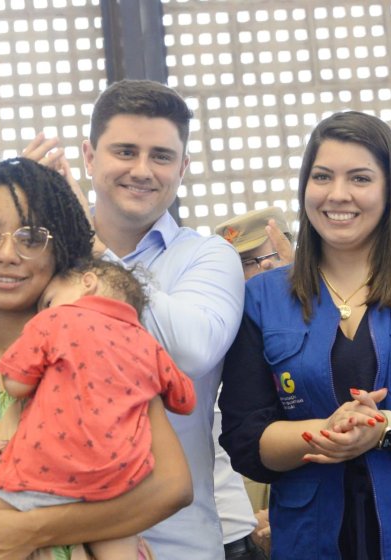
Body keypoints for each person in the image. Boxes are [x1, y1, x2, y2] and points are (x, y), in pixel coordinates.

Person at [0, 158, 194, 560]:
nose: (7, 254)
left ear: (62, 247)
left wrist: (30, 530)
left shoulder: (99, 348)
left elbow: (173, 488)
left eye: (30, 238)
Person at [219, 111, 391, 559]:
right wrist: (324, 433)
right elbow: (247, 437)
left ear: (390, 188)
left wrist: (384, 428)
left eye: (359, 178)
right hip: (312, 539)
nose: (338, 195)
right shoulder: (261, 300)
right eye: (322, 177)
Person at [26, 79, 247, 559]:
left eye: (162, 156)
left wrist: (90, 244)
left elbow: (190, 352)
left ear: (183, 167)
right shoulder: (45, 255)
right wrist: (19, 217)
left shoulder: (208, 257)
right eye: (125, 151)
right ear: (89, 156)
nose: (142, 170)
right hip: (50, 541)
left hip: (179, 540)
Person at [0, 257, 196, 560]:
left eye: (49, 300)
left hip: (47, 473)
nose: (46, 308)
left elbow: (15, 385)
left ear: (87, 282)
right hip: (119, 484)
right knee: (120, 549)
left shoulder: (54, 320)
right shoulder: (147, 342)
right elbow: (185, 400)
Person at [215, 206, 295, 558]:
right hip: (232, 524)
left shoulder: (334, 320)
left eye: (263, 258)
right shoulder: (211, 338)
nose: (255, 273)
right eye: (239, 265)